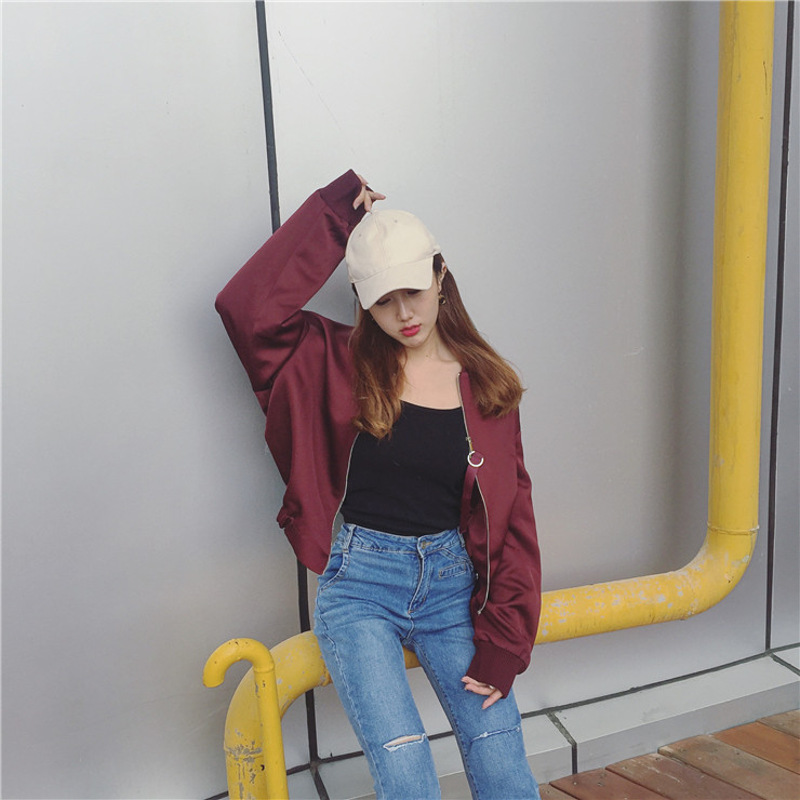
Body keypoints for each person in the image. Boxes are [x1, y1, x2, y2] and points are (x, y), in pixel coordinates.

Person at [216, 170, 542, 800]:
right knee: (407, 773)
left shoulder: (487, 386)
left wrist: (506, 640)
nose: (404, 314)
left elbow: (514, 520)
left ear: (440, 275)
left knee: (504, 766)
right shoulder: (332, 362)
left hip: (454, 591)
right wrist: (333, 214)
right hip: (362, 588)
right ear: (363, 302)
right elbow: (246, 310)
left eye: (413, 292)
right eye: (383, 300)